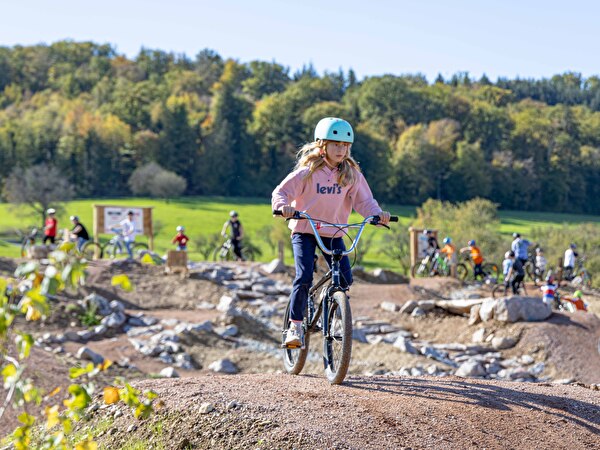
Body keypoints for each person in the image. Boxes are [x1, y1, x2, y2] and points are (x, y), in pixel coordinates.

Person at [272, 117, 391, 347]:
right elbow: (281, 192)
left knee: (345, 279)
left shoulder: (351, 174)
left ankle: (332, 303)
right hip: (305, 230)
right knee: (304, 275)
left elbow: (365, 201)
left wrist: (377, 214)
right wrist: (282, 207)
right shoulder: (307, 172)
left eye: (345, 145)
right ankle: (295, 326)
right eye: (336, 144)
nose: (341, 149)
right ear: (321, 145)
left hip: (335, 232)